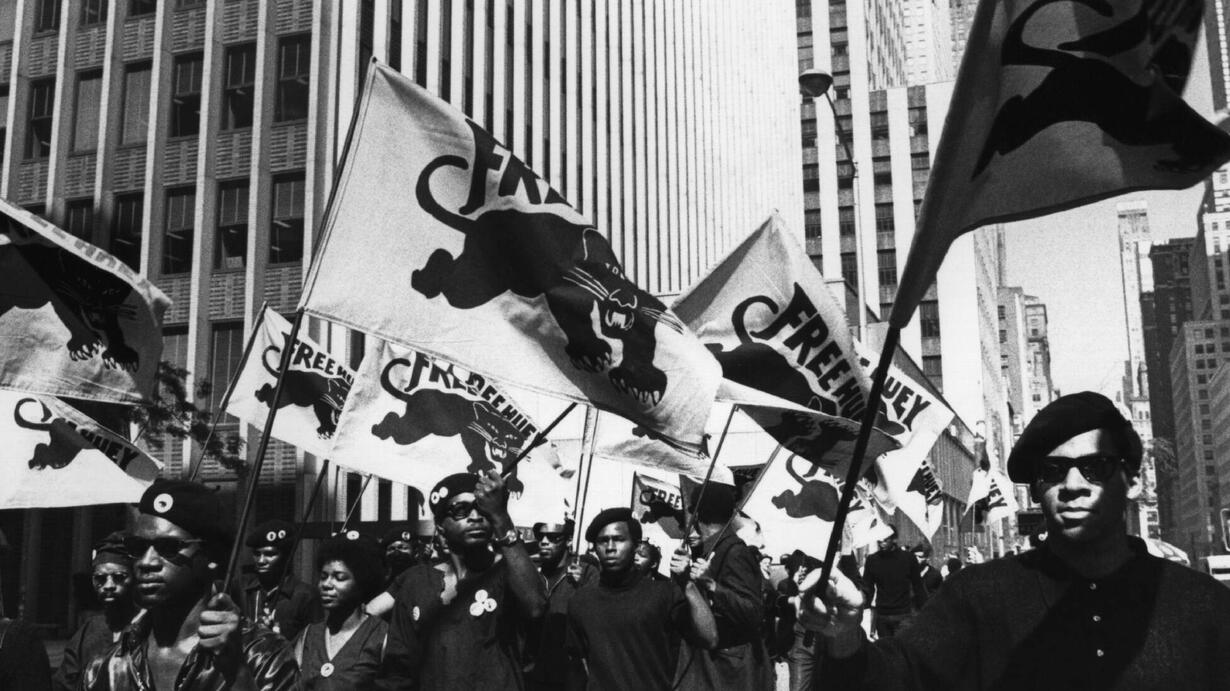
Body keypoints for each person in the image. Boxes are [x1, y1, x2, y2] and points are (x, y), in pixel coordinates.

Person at [802, 391, 1230, 689]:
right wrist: (843, 636)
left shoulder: (1204, 606)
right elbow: (898, 677)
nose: (1073, 486)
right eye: (1053, 471)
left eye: (1095, 467)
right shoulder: (977, 597)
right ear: (1037, 490)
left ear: (1132, 481)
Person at [82, 479, 298, 689]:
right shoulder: (105, 667)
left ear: (212, 557)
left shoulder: (263, 657)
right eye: (138, 547)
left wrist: (236, 674)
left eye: (169, 547)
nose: (146, 562)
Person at [378, 470, 545, 690]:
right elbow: (398, 668)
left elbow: (535, 606)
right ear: (440, 528)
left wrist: (501, 517)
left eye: (482, 509)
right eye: (461, 510)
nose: (475, 517)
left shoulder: (508, 573)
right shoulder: (416, 582)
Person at [565, 507, 718, 690]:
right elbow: (579, 665)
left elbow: (709, 638)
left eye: (619, 539)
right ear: (595, 548)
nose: (610, 547)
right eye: (603, 541)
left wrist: (688, 584)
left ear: (635, 546)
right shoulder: (581, 601)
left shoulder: (663, 594)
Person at [675, 484, 773, 690]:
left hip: (730, 670)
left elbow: (753, 613)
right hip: (714, 665)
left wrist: (711, 585)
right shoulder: (711, 549)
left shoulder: (734, 551)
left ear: (696, 515)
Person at [293, 531, 388, 690]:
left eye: (339, 577)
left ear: (362, 583)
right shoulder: (309, 635)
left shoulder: (381, 637)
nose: (326, 584)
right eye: (323, 577)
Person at [54, 532, 139, 690]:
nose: (109, 585)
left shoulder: (147, 627)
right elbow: (64, 683)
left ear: (135, 579)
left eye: (119, 577)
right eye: (100, 578)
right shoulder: (90, 630)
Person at [526, 519, 597, 691]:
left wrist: (583, 587)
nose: (544, 542)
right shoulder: (530, 574)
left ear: (569, 540)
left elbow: (600, 618)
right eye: (540, 536)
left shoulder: (587, 572)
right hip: (533, 675)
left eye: (552, 537)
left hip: (570, 678)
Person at [242, 518, 318, 640]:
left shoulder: (305, 596)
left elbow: (313, 642)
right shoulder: (243, 588)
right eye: (257, 554)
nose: (261, 561)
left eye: (269, 554)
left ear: (286, 556)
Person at [860, 528, 924, 639]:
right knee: (886, 648)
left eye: (885, 540)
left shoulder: (908, 558)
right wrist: (862, 607)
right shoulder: (872, 560)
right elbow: (868, 587)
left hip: (903, 615)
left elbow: (918, 586)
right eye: (879, 540)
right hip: (882, 616)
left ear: (894, 539)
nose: (881, 543)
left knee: (902, 647)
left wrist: (923, 608)